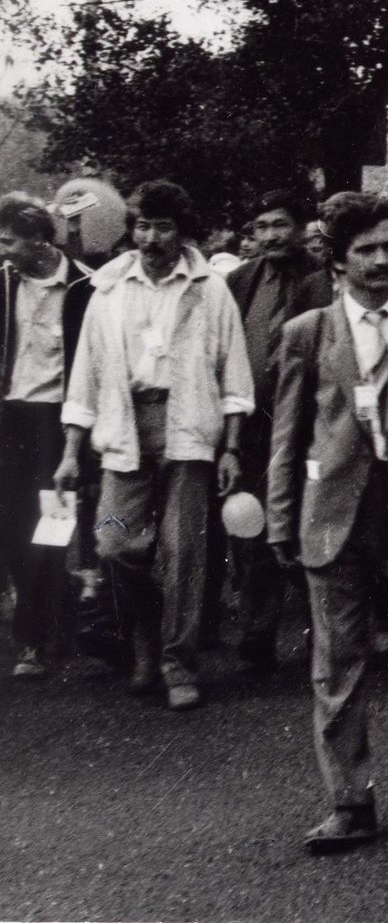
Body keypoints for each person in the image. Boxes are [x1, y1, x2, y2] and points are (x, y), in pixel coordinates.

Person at [266, 192, 388, 854]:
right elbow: (288, 434)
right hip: (335, 518)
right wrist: (279, 518)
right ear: (339, 260)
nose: (383, 260)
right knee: (338, 661)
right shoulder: (307, 332)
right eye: (366, 250)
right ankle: (351, 802)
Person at [55, 181, 254, 711]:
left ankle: (176, 663)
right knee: (114, 542)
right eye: (142, 226)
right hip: (126, 429)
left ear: (182, 231)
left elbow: (234, 377)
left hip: (189, 429)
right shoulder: (110, 289)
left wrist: (231, 448)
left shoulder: (210, 288)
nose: (150, 237)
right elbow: (85, 377)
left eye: (162, 227)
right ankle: (145, 638)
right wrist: (72, 451)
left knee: (184, 553)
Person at [225, 191, 333, 673]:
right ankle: (258, 632)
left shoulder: (322, 280)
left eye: (279, 225)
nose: (269, 235)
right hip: (252, 426)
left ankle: (321, 636)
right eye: (261, 225)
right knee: (252, 528)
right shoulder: (238, 281)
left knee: (309, 524)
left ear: (299, 227)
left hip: (308, 425)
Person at [0, 196, 95, 679]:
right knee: (12, 528)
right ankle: (43, 623)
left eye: (9, 239)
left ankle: (41, 633)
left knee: (52, 526)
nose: (3, 249)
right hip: (10, 416)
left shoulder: (83, 285)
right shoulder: (3, 281)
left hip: (58, 421)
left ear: (39, 239)